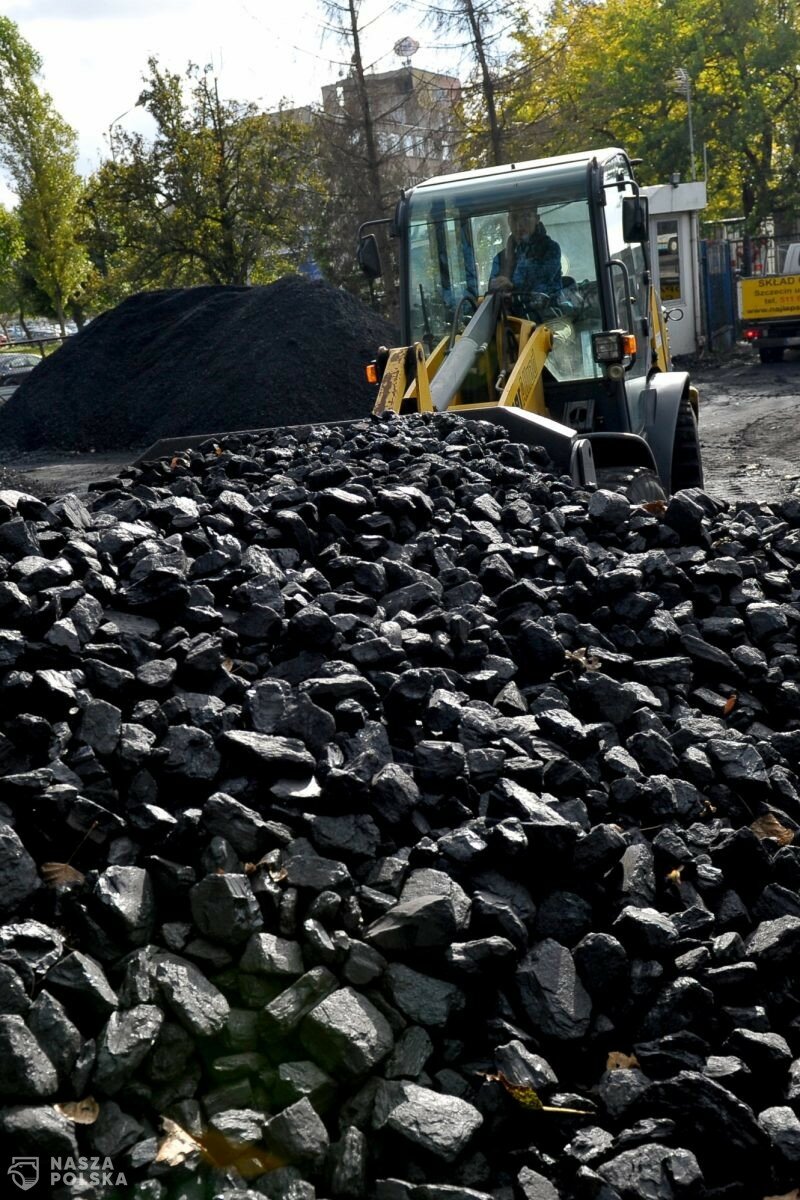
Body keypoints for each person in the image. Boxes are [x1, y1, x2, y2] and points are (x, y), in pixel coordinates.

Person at [488, 205, 563, 306]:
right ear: (508, 220)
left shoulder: (549, 249)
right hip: (510, 319)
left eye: (526, 217)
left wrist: (512, 288)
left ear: (536, 219)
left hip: (548, 316)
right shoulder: (501, 257)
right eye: (514, 218)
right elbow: (491, 297)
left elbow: (541, 288)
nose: (519, 225)